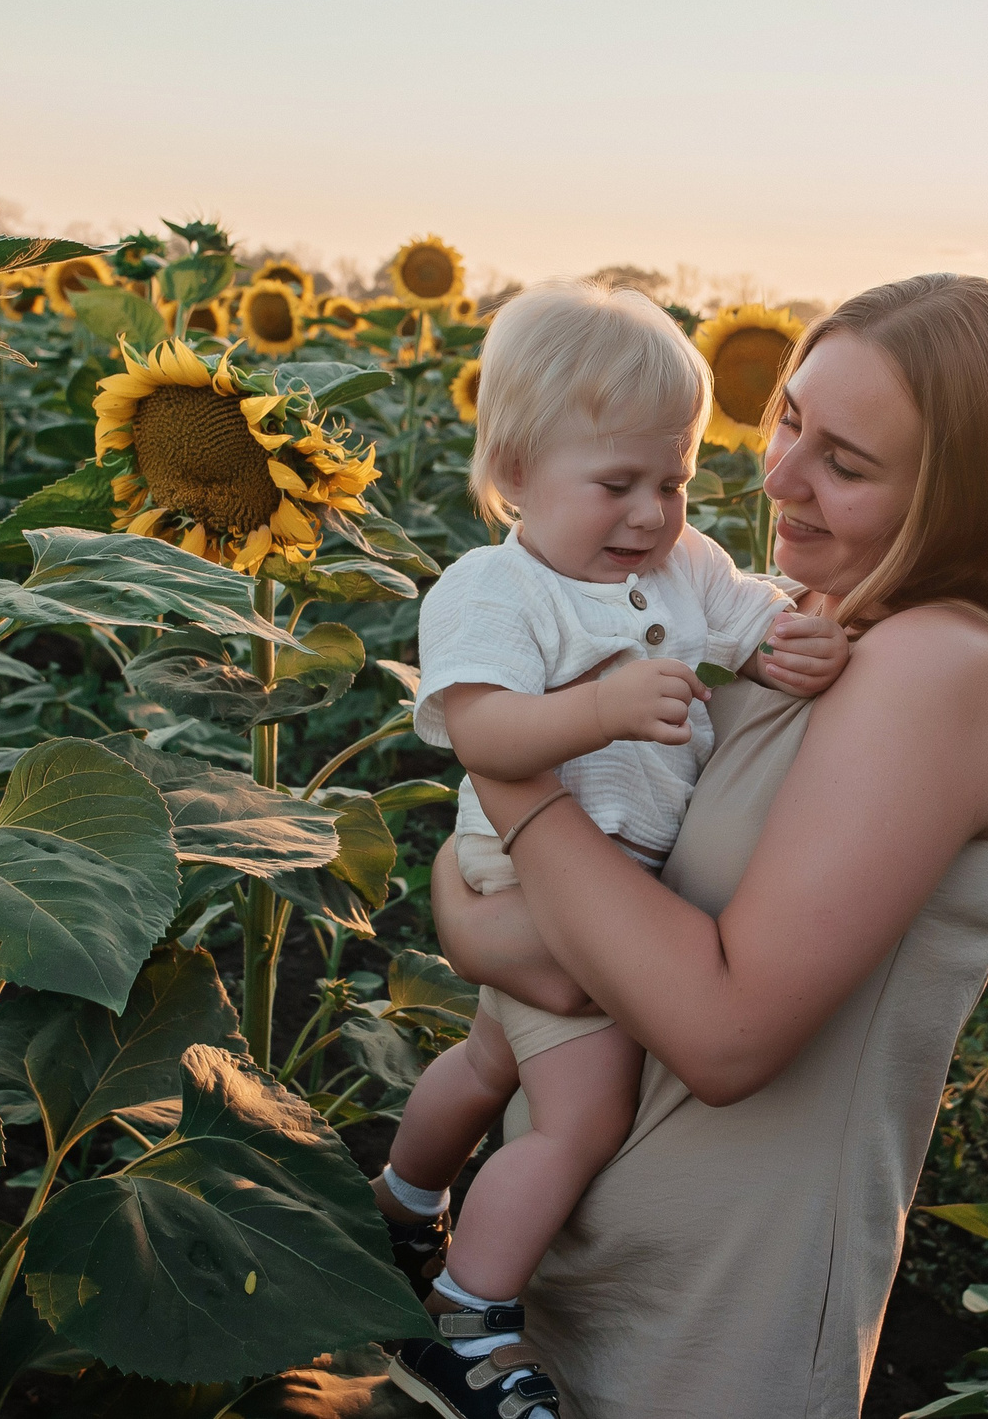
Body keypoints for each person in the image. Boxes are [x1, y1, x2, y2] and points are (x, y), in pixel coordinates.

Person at [429, 273, 988, 1416]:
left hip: (707, 1323)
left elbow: (724, 1033)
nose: (778, 473)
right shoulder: (805, 624)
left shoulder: (941, 665)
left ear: (962, 496)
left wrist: (508, 770)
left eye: (845, 460)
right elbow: (523, 899)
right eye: (789, 418)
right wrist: (479, 907)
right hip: (573, 1276)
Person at [375, 278, 850, 1419]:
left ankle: (400, 1195)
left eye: (675, 480)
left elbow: (749, 616)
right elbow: (481, 730)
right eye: (617, 483)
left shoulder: (682, 567)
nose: (651, 512)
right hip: (535, 873)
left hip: (599, 878)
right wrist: (598, 707)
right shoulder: (495, 588)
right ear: (519, 471)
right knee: (581, 1117)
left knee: (494, 1060)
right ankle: (469, 1320)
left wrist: (798, 643)